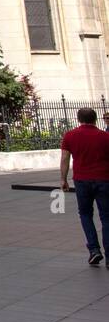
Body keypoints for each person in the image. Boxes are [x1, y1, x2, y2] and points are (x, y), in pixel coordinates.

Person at [60, 107, 109, 266]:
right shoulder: (105, 136)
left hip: (81, 180)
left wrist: (63, 179)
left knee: (86, 214)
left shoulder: (70, 135)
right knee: (106, 217)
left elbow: (65, 158)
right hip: (104, 180)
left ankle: (94, 250)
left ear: (78, 119)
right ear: (96, 119)